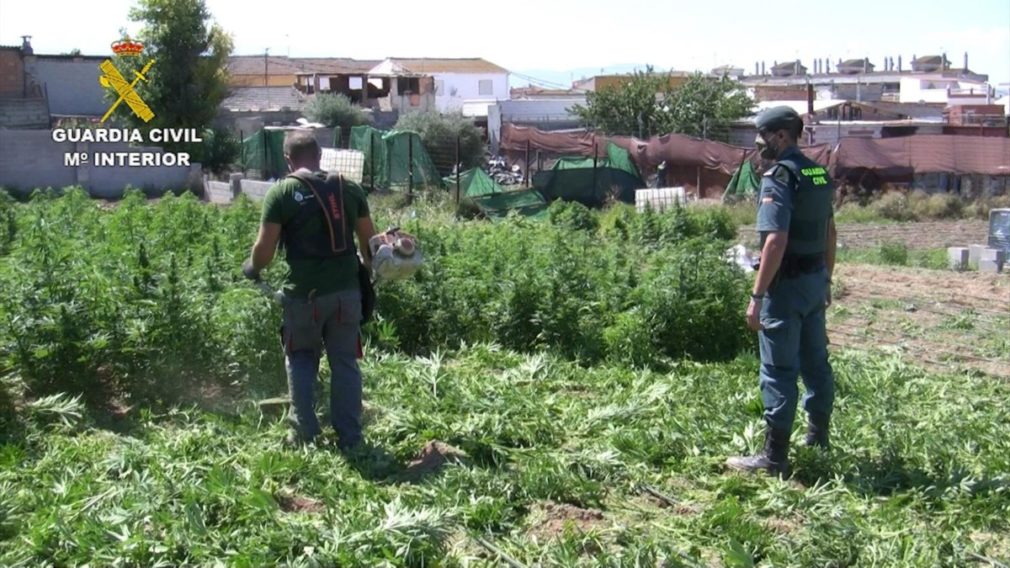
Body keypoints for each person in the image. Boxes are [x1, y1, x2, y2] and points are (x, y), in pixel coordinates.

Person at [242, 130, 376, 450]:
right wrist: (364, 280)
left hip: (304, 296)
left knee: (301, 358)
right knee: (345, 361)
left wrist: (253, 268)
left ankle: (304, 434)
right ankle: (351, 438)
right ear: (319, 155)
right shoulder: (348, 188)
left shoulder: (283, 192)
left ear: (288, 159)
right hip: (346, 294)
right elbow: (369, 244)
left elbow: (265, 249)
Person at [725, 106, 837, 477]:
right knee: (816, 363)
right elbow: (830, 233)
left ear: (781, 136)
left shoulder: (780, 176)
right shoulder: (818, 173)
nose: (758, 146)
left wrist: (757, 297)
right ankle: (818, 441)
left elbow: (775, 239)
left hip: (785, 288)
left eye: (762, 138)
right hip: (813, 281)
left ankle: (774, 458)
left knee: (778, 371)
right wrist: (826, 280)